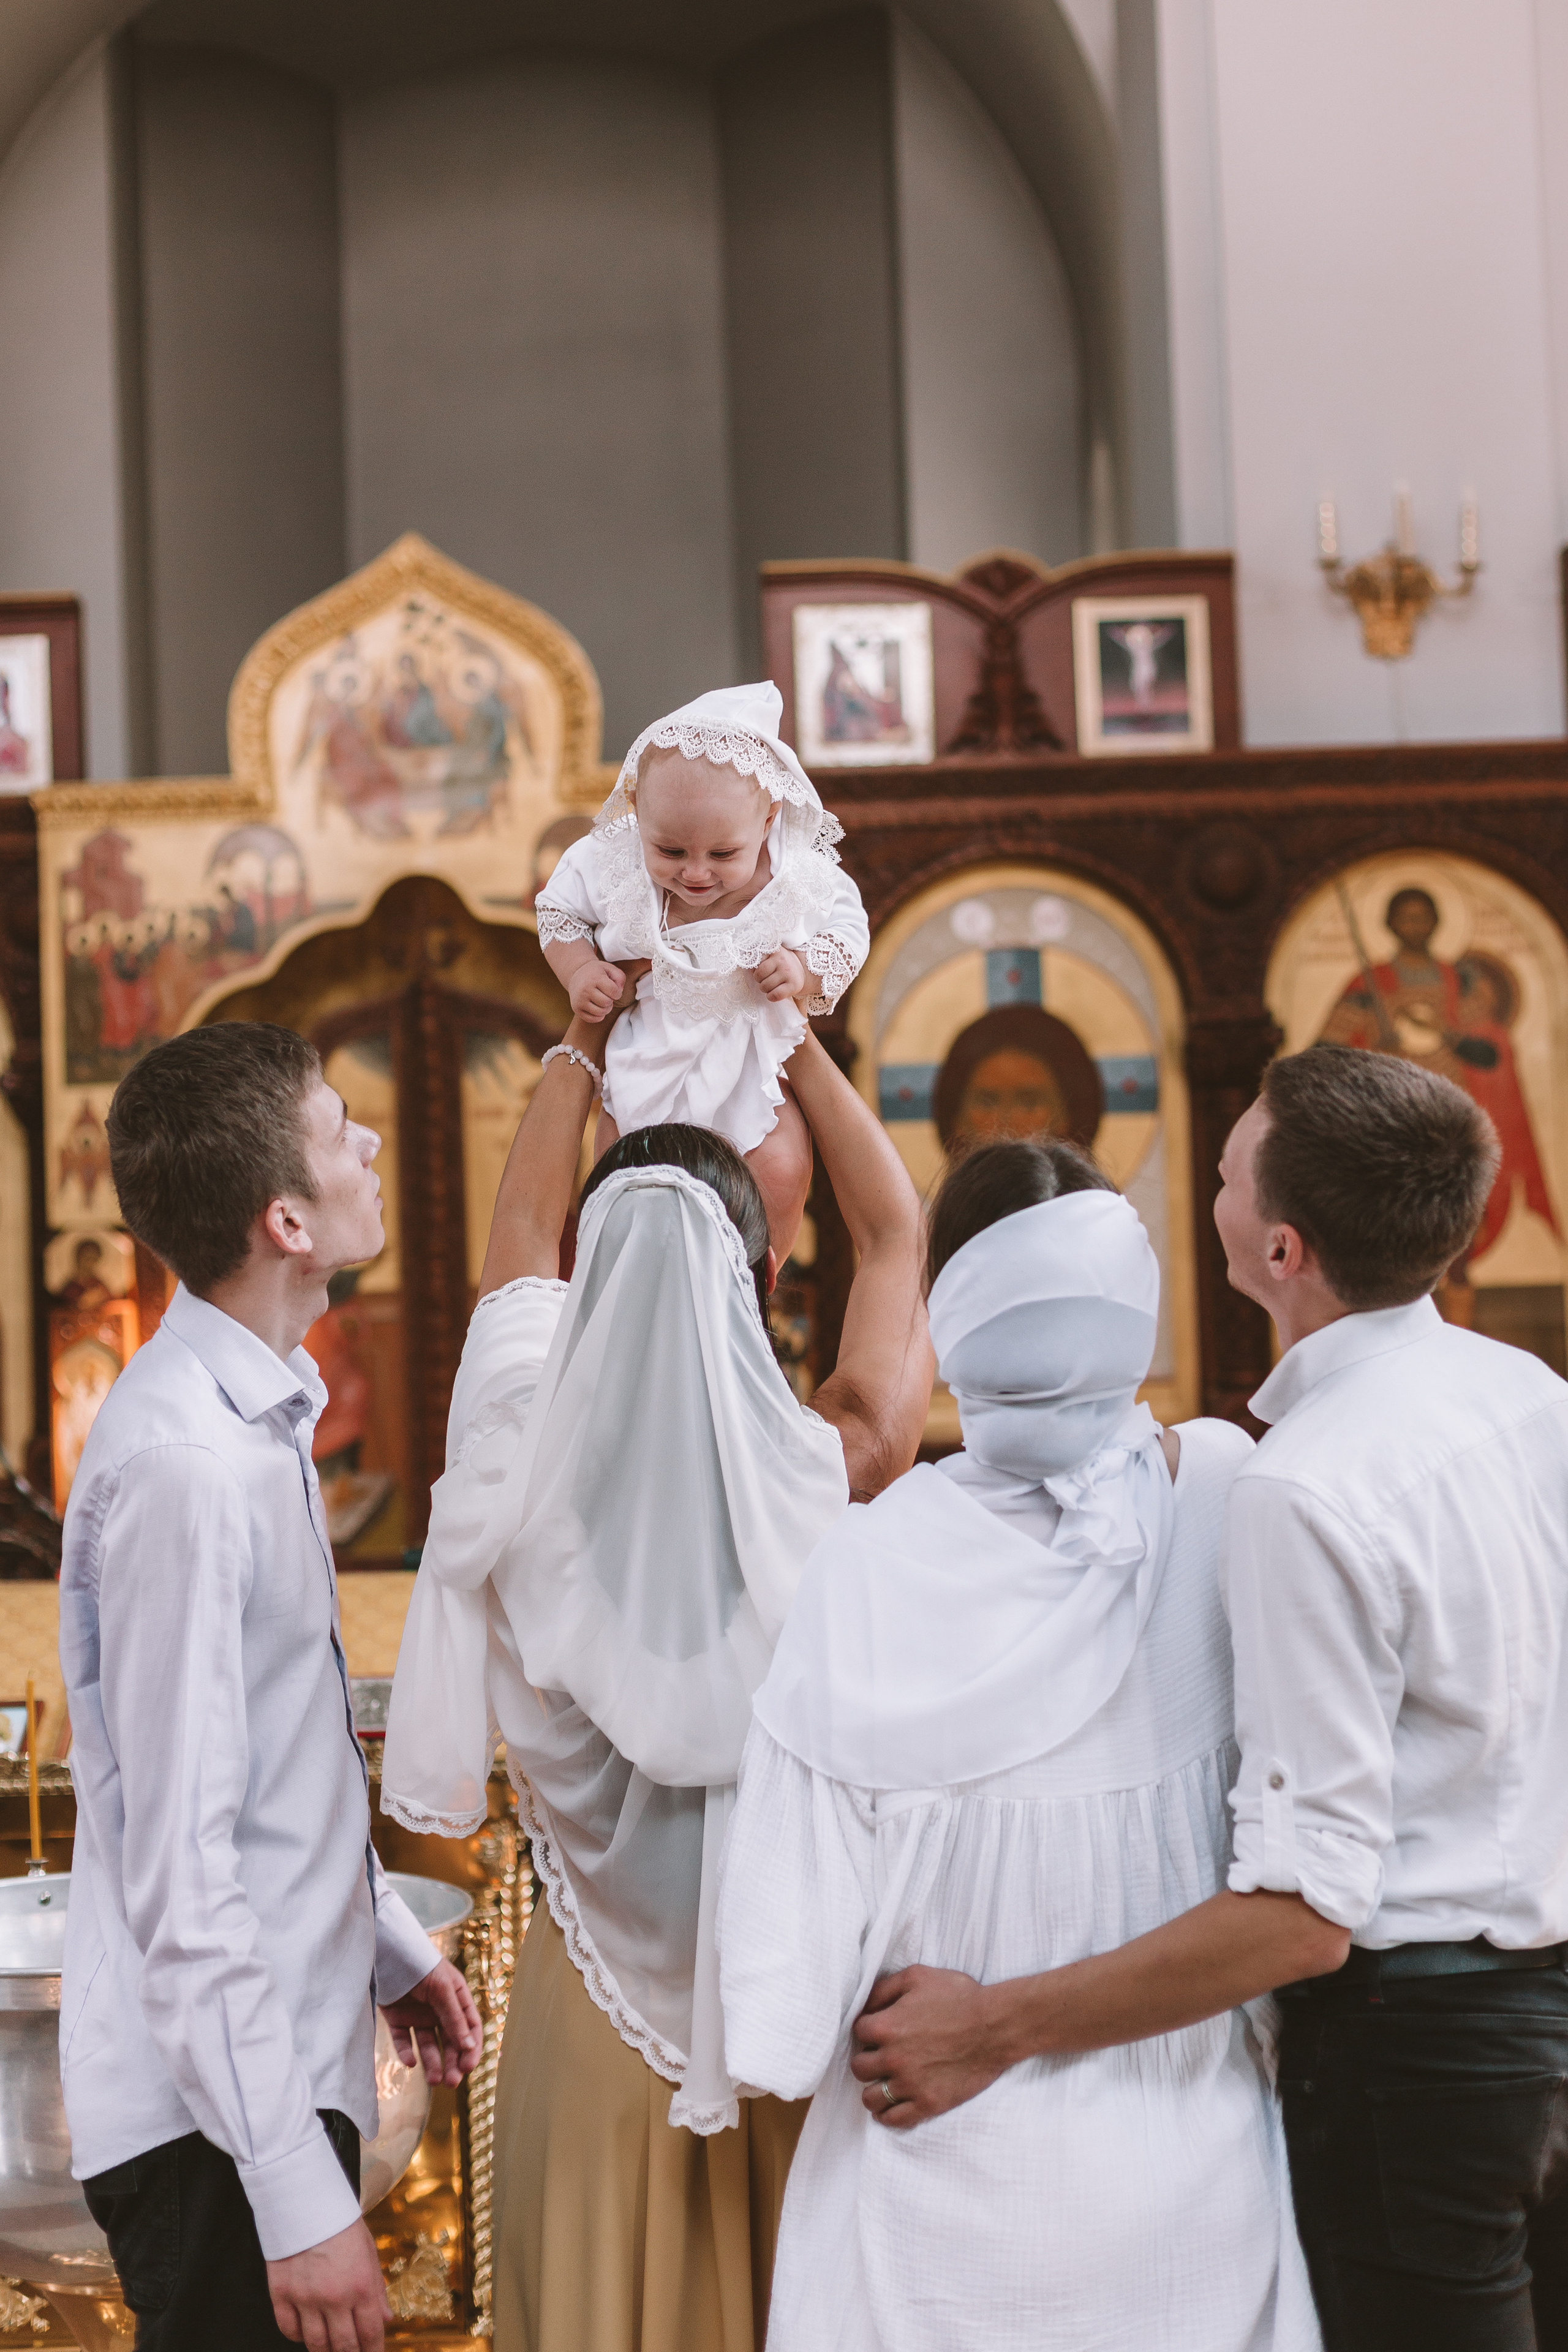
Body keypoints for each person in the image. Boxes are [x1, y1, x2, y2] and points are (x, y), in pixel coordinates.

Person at [850, 1044, 1568, 2352]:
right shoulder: (1528, 1398)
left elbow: (1299, 1920)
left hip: (1416, 2065)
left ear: (1279, 1251)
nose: (1205, 1182)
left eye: (1227, 1167)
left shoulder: (1304, 1487)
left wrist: (990, 2026)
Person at [380, 984, 931, 2352]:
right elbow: (894, 1232)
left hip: (589, 2026)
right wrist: (790, 1026)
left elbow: (515, 1239)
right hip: (784, 2015)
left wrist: (578, 1037)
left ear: (586, 1274)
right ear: (762, 1287)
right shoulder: (828, 1472)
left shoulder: (511, 1454)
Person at [717, 1137, 1319, 2351]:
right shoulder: (1229, 1493)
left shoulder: (867, 1566)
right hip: (1188, 2194)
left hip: (926, 2204)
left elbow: (775, 2018)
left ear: (951, 1318)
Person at [59, 1023, 482, 2352]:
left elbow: (280, 1774)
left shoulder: (259, 1411)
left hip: (273, 2077)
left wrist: (382, 1944)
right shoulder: (187, 1465)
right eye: (338, 1126)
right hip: (216, 2138)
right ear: (287, 1219)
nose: (368, 1143)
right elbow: (181, 1869)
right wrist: (297, 2199)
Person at [534, 681, 870, 1257]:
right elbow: (558, 911)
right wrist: (581, 971)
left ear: (768, 820)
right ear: (637, 812)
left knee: (782, 1168)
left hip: (751, 1054)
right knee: (615, 1176)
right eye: (669, 851)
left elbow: (848, 932)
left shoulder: (794, 877)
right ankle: (629, 1279)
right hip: (649, 1051)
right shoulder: (612, 861)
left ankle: (756, 1285)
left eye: (721, 855)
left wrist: (805, 968)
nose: (694, 874)